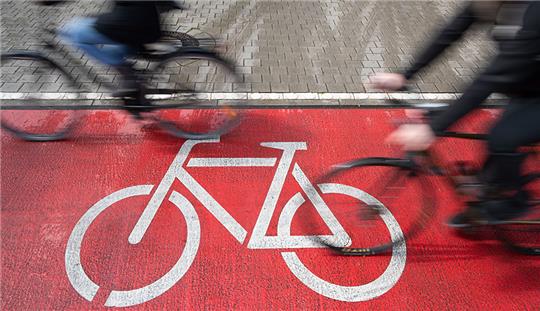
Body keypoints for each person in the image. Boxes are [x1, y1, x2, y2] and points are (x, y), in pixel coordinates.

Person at [371, 1, 540, 227]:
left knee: (502, 137)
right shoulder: (490, 3)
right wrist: (405, 75)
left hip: (532, 92)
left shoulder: (534, 13)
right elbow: (450, 33)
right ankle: (483, 206)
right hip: (527, 86)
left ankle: (516, 201)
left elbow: (492, 79)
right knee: (489, 146)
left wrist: (432, 130)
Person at [41, 0, 184, 96]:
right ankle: (131, 76)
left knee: (78, 34)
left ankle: (128, 76)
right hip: (143, 19)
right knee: (88, 23)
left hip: (134, 23)